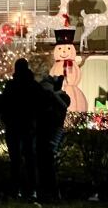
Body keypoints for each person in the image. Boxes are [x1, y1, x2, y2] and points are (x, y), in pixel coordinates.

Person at [1, 58, 42, 200]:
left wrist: (6, 119)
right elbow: (39, 105)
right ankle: (32, 190)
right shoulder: (34, 86)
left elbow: (4, 104)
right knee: (30, 158)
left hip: (14, 126)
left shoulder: (11, 85)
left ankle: (16, 189)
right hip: (28, 125)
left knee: (15, 160)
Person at [36, 74, 70, 202]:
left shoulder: (57, 99)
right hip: (50, 134)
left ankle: (52, 193)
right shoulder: (58, 98)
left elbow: (54, 117)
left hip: (51, 134)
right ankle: (51, 193)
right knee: (47, 165)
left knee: (47, 165)